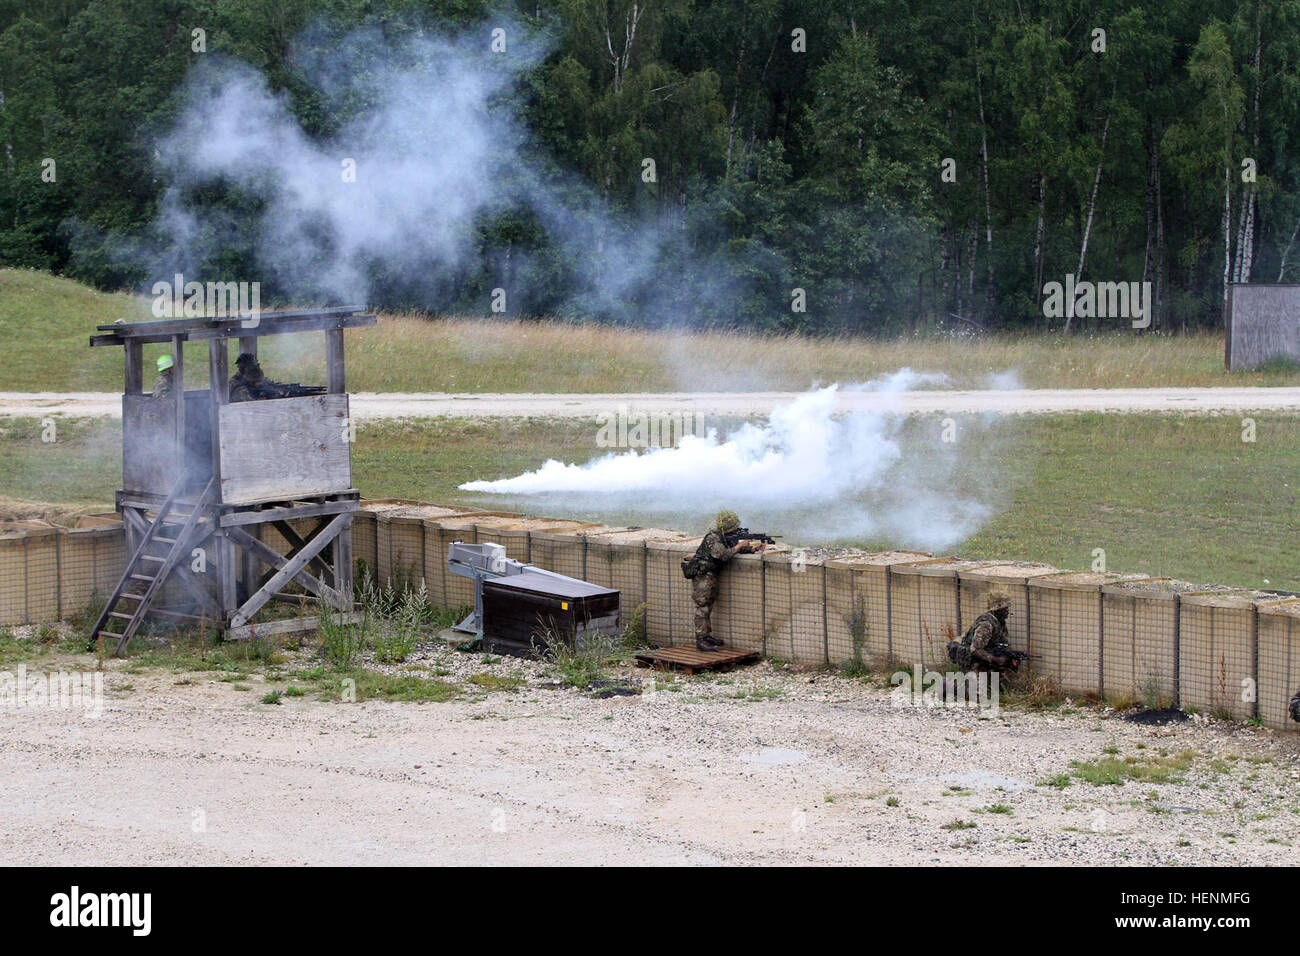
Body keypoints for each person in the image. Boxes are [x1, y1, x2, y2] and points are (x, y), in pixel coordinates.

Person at [681, 509, 767, 652]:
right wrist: (740, 545)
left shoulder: (723, 537)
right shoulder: (712, 537)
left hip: (710, 575)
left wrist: (752, 549)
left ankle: (706, 636)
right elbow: (723, 555)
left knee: (708, 606)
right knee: (702, 608)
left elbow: (731, 549)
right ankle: (701, 640)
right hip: (702, 575)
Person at [948, 589, 1020, 671]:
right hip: (973, 661)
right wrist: (995, 659)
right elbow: (975, 650)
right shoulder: (986, 625)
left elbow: (1003, 642)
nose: (1007, 612)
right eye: (1004, 609)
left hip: (985, 656)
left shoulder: (999, 623)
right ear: (997, 610)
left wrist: (1011, 656)